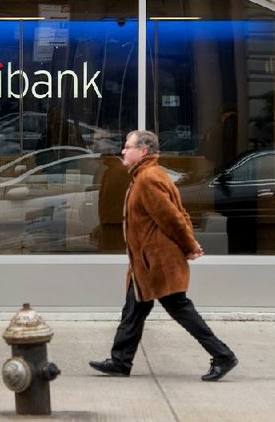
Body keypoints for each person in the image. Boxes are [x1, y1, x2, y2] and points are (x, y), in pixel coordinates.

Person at [89, 130, 238, 382]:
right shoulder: (144, 176)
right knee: (133, 310)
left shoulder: (148, 178)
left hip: (158, 262)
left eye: (128, 147)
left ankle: (222, 355)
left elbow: (173, 217)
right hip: (145, 263)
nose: (122, 151)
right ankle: (120, 361)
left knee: (180, 309)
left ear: (143, 151)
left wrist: (189, 245)